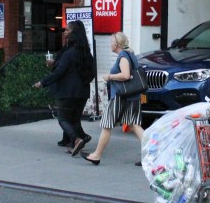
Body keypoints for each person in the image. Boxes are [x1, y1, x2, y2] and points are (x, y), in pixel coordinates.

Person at [80, 32, 144, 165]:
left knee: (106, 124)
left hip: (121, 96)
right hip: (132, 96)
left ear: (116, 44)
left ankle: (96, 155)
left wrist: (110, 77)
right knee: (135, 125)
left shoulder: (123, 56)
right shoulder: (130, 54)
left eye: (111, 42)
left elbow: (125, 75)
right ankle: (152, 154)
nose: (110, 44)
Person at [33, 21, 96, 156]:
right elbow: (92, 73)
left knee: (63, 119)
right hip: (83, 92)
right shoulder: (86, 54)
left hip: (67, 92)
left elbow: (58, 72)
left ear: (73, 34)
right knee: (74, 119)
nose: (64, 32)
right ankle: (77, 141)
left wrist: (42, 82)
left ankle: (77, 139)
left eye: (67, 30)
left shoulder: (68, 53)